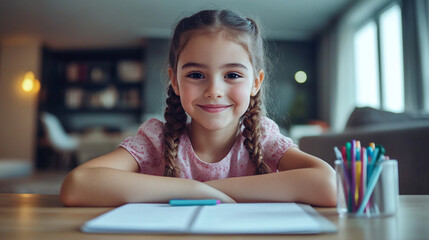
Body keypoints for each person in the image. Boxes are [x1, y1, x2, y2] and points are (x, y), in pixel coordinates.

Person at [60, 9, 336, 207]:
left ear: (255, 83)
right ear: (175, 81)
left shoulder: (263, 138)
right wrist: (190, 189)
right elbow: (78, 185)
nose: (214, 90)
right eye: (195, 75)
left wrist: (205, 191)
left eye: (233, 75)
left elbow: (329, 185)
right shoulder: (156, 139)